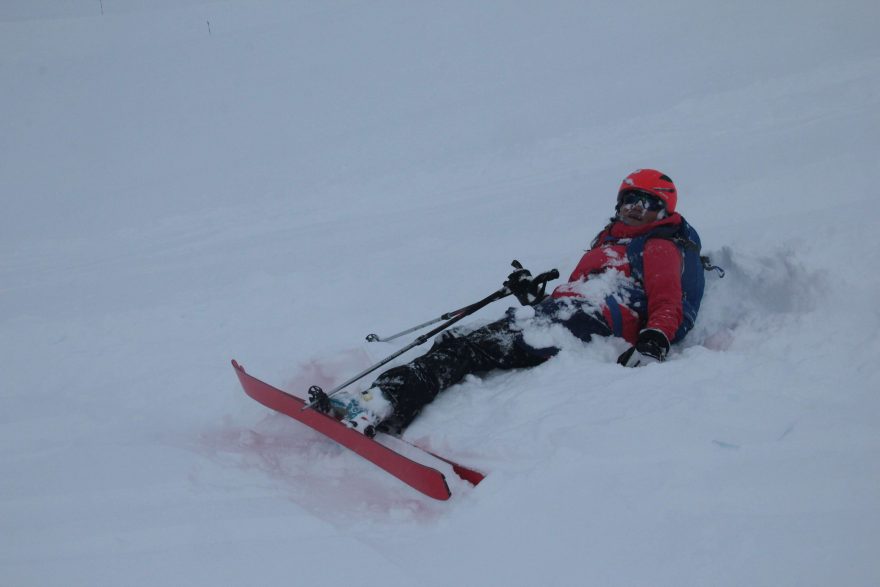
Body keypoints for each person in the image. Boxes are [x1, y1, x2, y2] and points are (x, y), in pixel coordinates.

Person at [324, 169, 709, 436]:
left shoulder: (659, 246)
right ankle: (379, 401)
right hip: (561, 316)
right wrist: (536, 297)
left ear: (664, 210)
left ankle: (382, 404)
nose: (635, 208)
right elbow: (583, 289)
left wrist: (654, 340)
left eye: (647, 203)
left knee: (467, 350)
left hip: (583, 327)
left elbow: (667, 302)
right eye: (630, 200)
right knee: (455, 339)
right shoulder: (610, 241)